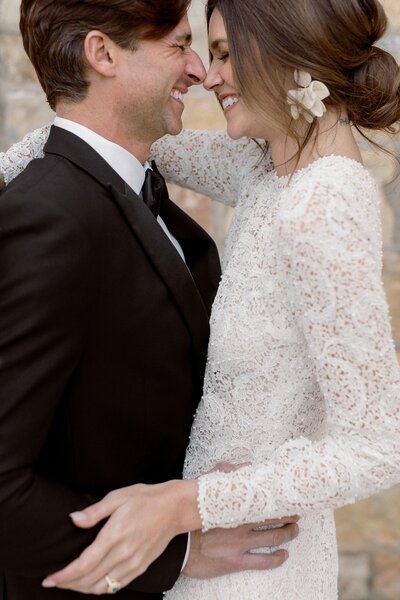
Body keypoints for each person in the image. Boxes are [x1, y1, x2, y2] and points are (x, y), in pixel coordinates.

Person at [0, 1, 302, 599]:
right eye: (178, 44)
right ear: (103, 54)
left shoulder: (145, 198)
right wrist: (178, 550)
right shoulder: (47, 218)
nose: (197, 70)